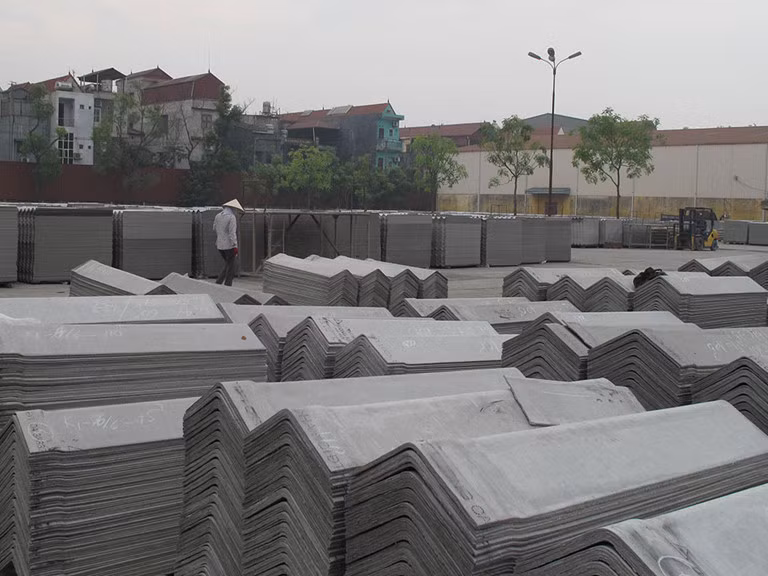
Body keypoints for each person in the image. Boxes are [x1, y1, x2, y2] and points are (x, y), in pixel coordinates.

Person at [213, 199, 244, 286]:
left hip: (219, 245)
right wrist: (235, 245)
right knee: (231, 267)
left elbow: (214, 228)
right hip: (229, 246)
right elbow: (232, 233)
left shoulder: (217, 216)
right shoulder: (231, 217)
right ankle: (227, 284)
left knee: (228, 264)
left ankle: (218, 282)